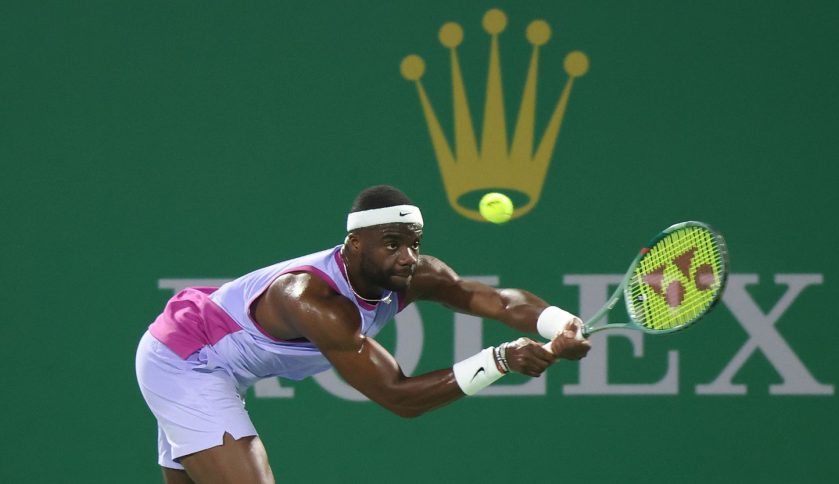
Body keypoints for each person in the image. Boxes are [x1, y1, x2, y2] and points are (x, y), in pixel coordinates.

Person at [136, 185, 591, 483]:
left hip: (218, 358)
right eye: (392, 244)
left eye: (414, 242)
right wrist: (501, 360)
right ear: (354, 245)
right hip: (186, 359)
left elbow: (497, 300)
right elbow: (400, 397)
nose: (408, 257)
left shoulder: (414, 274)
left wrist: (558, 322)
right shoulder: (314, 300)